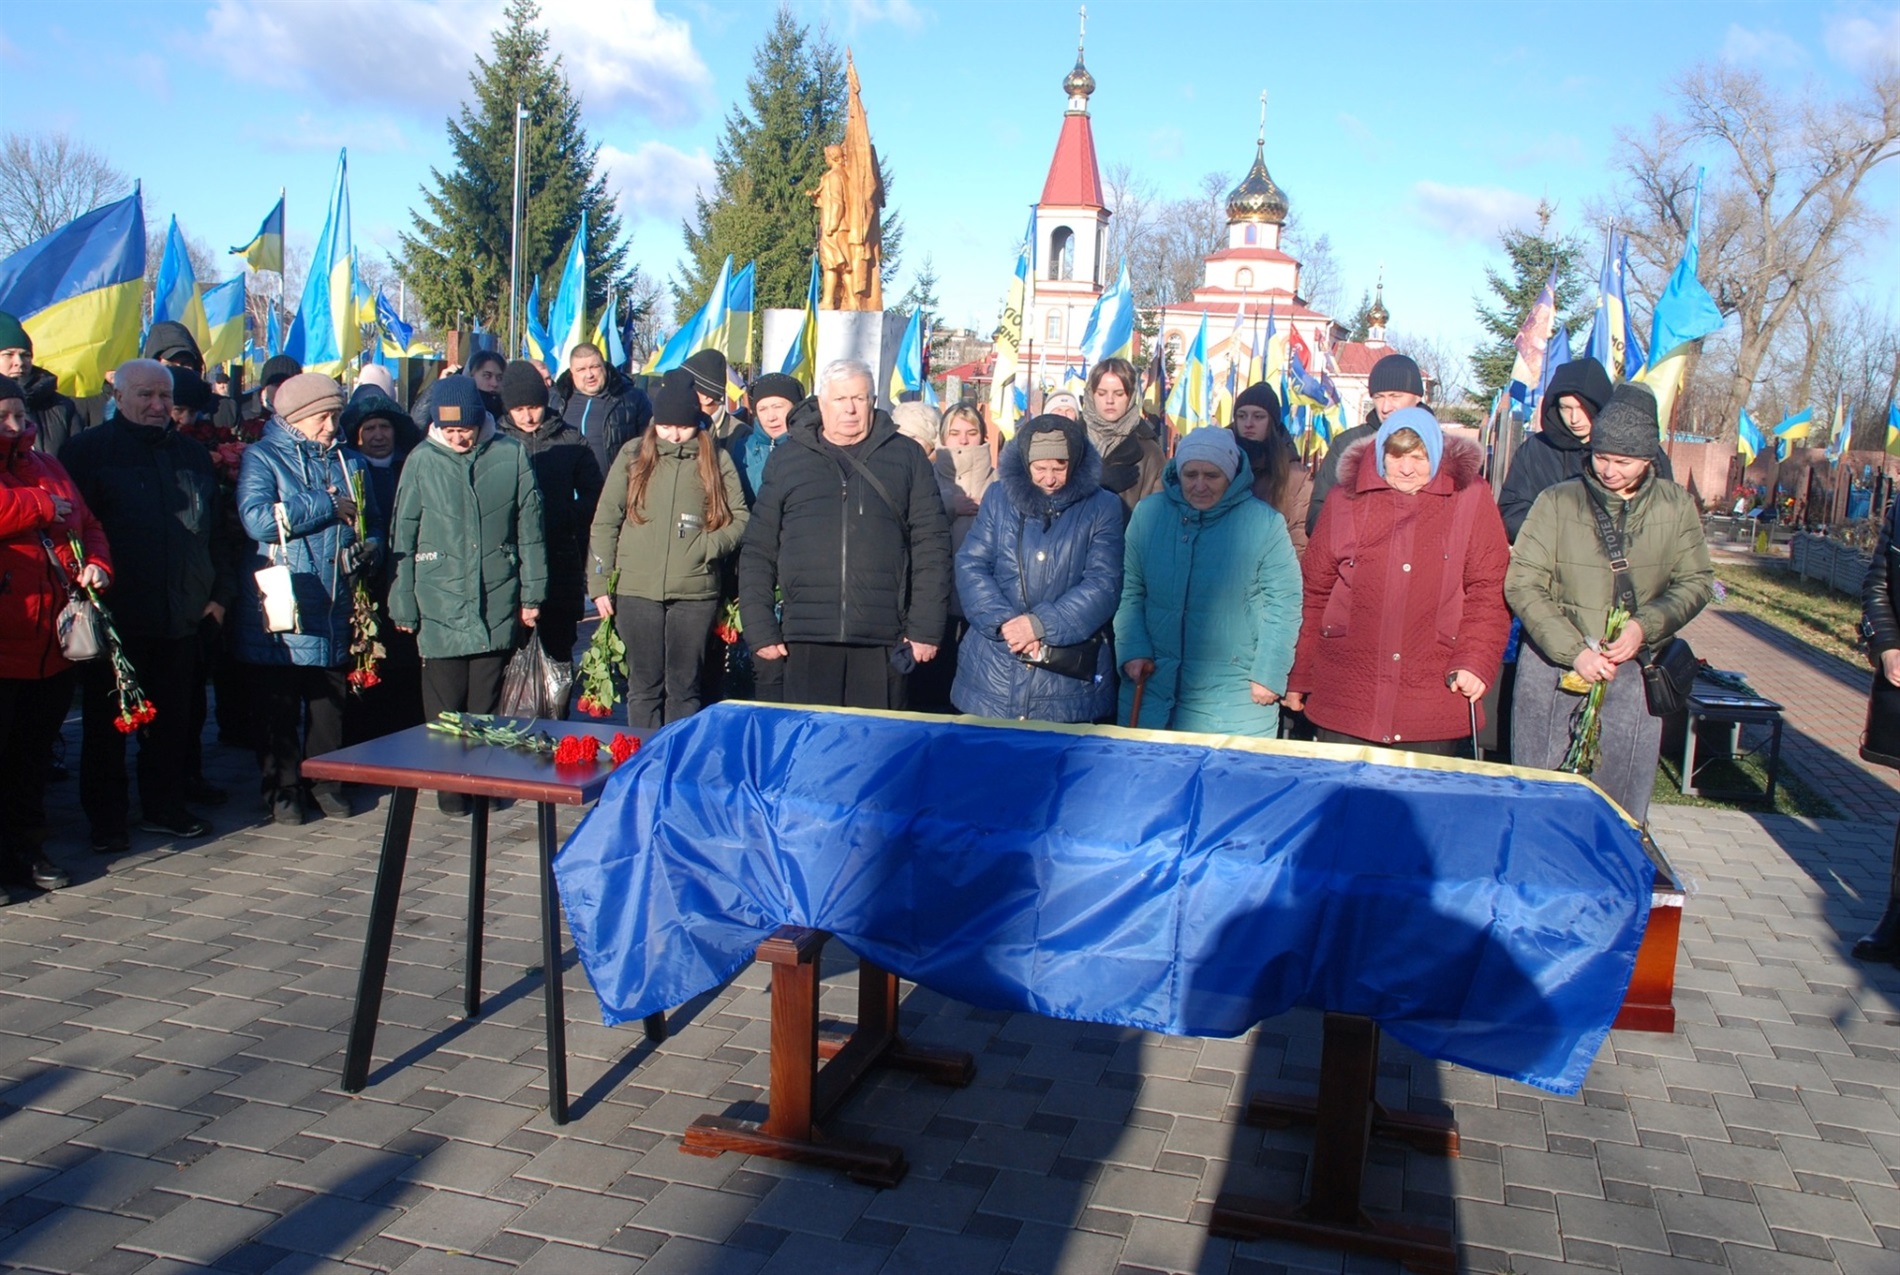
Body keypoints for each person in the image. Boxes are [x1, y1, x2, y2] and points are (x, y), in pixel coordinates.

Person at [1505, 382, 1713, 824]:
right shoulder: (1557, 502)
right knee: (1542, 803)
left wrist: (1645, 626)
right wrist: (1573, 651)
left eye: (1623, 461)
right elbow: (1523, 583)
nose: (1609, 470)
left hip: (1633, 674)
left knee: (1618, 809)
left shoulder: (1676, 507)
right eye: (1601, 457)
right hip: (1553, 672)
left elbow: (1695, 581)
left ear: (1648, 459)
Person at [60, 360, 232, 851]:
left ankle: (165, 807)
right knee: (105, 727)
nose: (158, 406)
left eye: (164, 397)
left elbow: (216, 532)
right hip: (117, 618)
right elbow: (74, 532)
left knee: (174, 724)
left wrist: (219, 598)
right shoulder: (87, 453)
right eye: (146, 396)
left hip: (182, 614)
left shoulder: (193, 456)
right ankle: (107, 820)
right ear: (118, 396)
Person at [1284, 408, 1511, 754]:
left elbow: (1489, 589)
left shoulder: (1470, 498)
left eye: (1419, 458)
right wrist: (1299, 673)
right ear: (1380, 455)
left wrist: (1475, 660)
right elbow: (1314, 592)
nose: (1407, 469)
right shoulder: (1344, 500)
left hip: (1433, 689)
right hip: (1349, 691)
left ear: (1436, 454)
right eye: (1396, 456)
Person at [738, 358, 951, 710]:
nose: (850, 409)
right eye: (840, 399)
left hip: (883, 638)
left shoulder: (907, 457)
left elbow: (932, 546)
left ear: (873, 402)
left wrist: (926, 628)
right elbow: (759, 549)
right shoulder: (789, 459)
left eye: (860, 398)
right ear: (822, 403)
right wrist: (759, 627)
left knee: (875, 754)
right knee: (808, 752)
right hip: (804, 638)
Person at [389, 375, 547, 814]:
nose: (459, 437)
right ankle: (450, 789)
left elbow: (530, 530)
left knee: (486, 700)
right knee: (444, 702)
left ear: (481, 422)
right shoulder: (421, 460)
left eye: (466, 429)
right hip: (439, 597)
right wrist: (402, 601)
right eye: (450, 430)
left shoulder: (510, 455)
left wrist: (533, 593)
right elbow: (403, 533)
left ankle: (485, 781)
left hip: (496, 595)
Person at [232, 374, 378, 825]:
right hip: (286, 602)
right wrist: (323, 503)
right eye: (322, 417)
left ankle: (326, 782)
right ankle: (283, 789)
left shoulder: (349, 461)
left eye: (335, 416)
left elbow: (370, 520)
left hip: (335, 601)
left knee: (328, 703)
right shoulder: (263, 457)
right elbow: (256, 520)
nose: (331, 426)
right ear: (295, 418)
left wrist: (370, 548)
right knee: (278, 704)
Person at [0, 375, 111, 898]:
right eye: (4, 416)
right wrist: (42, 508)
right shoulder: (34, 486)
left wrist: (97, 563)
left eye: (20, 415)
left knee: (31, 755)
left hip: (52, 640)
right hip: (7, 635)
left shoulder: (46, 464)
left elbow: (87, 522)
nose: (16, 425)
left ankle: (27, 848)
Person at [1114, 427, 1300, 736]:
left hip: (1233, 694)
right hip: (1154, 685)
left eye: (1211, 476)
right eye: (1191, 474)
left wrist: (1269, 672)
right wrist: (1133, 649)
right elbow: (1131, 590)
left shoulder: (1264, 524)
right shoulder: (1148, 515)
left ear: (1230, 475)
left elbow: (1283, 603)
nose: (1199, 485)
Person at [589, 370, 748, 727]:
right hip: (636, 590)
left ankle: (678, 763)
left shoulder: (715, 460)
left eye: (683, 427)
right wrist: (598, 583)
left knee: (684, 687)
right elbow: (605, 520)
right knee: (643, 686)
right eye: (665, 427)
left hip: (694, 593)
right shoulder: (633, 456)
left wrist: (706, 547)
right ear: (654, 423)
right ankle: (643, 767)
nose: (674, 435)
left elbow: (740, 518)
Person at [950, 413, 1123, 723]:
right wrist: (1006, 623)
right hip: (994, 672)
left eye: (1059, 468)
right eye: (1040, 469)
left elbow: (1103, 583)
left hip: (1066, 680)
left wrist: (1040, 624)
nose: (1049, 478)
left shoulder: (1102, 507)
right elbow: (972, 564)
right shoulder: (999, 497)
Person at [1496, 359, 1675, 541]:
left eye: (1582, 407)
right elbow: (1512, 513)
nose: (1574, 418)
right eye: (1565, 408)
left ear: (1599, 403)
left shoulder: (1635, 448)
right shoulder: (1536, 450)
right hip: (1552, 558)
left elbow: (1665, 514)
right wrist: (1562, 536)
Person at [500, 360, 602, 664]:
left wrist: (565, 517)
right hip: (510, 565)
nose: (528, 416)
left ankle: (553, 713)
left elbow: (594, 495)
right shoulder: (498, 442)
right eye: (519, 410)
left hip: (560, 563)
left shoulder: (570, 440)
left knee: (558, 656)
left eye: (533, 407)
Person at [340, 393, 424, 742]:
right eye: (369, 428)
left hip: (408, 578)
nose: (378, 435)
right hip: (368, 582)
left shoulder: (410, 465)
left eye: (384, 427)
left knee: (406, 664)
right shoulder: (350, 469)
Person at [1307, 352, 1424, 536]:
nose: (1385, 407)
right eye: (1378, 397)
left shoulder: (1443, 448)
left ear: (1417, 397)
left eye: (1395, 396)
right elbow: (1317, 517)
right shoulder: (1347, 445)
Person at [1229, 382, 1313, 556]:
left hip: (1272, 571)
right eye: (1242, 416)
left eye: (1258, 416)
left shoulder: (1295, 475)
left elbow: (1299, 539)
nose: (1248, 423)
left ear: (1272, 422)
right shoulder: (1218, 463)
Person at [1081, 358, 1165, 517]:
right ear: (1091, 394)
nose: (1110, 400)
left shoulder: (1149, 452)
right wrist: (1094, 483)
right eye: (1102, 393)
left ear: (1131, 396)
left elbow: (1156, 517)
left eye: (1119, 394)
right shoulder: (1071, 440)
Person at [557, 342, 651, 476]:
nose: (589, 375)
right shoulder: (556, 400)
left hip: (614, 489)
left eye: (594, 367)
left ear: (604, 367)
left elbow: (648, 444)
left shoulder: (633, 398)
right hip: (568, 492)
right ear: (572, 372)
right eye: (581, 370)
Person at [0, 312, 86, 456]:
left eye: (26, 355)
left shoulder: (61, 406)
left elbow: (79, 460)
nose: (19, 363)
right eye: (8, 354)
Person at [734, 373, 802, 507]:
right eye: (762, 409)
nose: (771, 417)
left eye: (778, 407)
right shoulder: (742, 450)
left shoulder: (813, 446)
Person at [683, 349, 739, 443]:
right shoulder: (673, 429)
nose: (679, 393)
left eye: (687, 387)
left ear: (707, 397)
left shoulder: (740, 437)